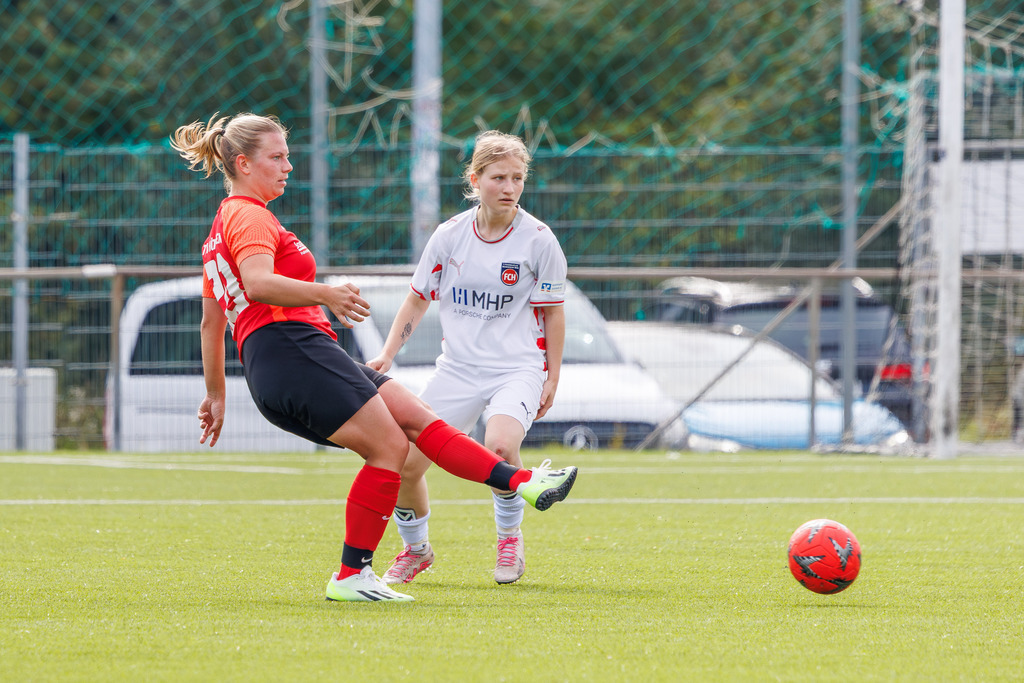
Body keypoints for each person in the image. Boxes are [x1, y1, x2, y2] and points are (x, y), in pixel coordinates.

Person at [169, 113, 577, 603]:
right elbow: (258, 284)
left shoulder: (222, 226)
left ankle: (524, 483)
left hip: (294, 353)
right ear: (243, 163)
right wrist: (327, 294)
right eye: (277, 157)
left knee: (415, 416)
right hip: (290, 349)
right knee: (390, 449)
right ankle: (353, 574)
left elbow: (211, 322)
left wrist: (216, 394)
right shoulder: (248, 215)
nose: (288, 166)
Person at [367, 130, 567, 585]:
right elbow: (417, 299)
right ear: (475, 180)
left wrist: (552, 377)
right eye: (499, 178)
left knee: (500, 447)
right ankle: (416, 550)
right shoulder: (449, 235)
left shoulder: (539, 240)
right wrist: (387, 354)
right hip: (456, 370)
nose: (510, 187)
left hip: (517, 369)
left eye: (518, 178)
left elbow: (554, 314)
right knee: (404, 462)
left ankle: (509, 541)